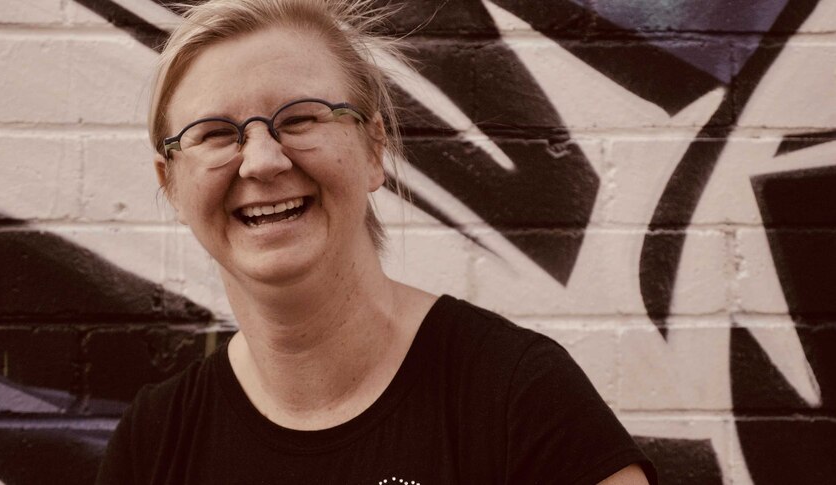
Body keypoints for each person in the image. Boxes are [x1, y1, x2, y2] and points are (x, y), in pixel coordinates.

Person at [96, 0, 657, 483]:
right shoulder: (154, 443)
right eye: (215, 134)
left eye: (301, 119)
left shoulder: (520, 397)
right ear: (170, 182)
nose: (264, 161)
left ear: (373, 149)